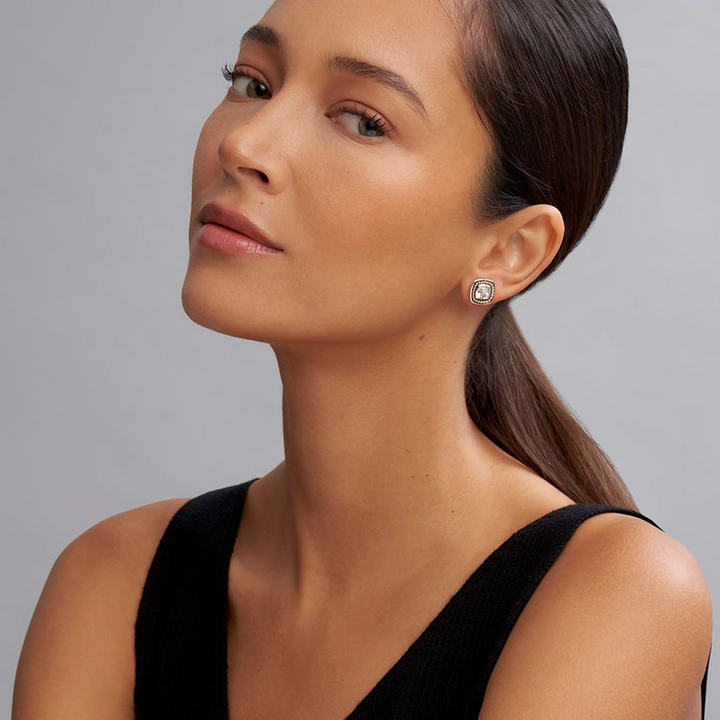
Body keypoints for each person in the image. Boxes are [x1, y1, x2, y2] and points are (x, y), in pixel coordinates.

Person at [12, 0, 713, 717]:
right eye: (252, 82)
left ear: (508, 252)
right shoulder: (112, 583)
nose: (245, 144)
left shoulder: (618, 596)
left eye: (362, 120)